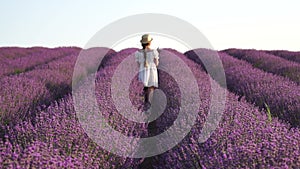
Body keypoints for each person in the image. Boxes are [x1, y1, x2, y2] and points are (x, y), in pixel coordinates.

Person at [135, 34, 159, 111]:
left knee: (143, 88)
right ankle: (150, 107)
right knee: (151, 88)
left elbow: (138, 64)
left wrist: (143, 65)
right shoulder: (154, 51)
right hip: (151, 70)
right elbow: (156, 63)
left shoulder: (138, 52)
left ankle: (143, 105)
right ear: (149, 42)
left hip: (142, 70)